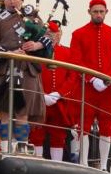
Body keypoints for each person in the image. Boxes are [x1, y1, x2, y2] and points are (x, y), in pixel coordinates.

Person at [0, 0, 52, 149]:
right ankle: (7, 147)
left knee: (23, 111)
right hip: (5, 69)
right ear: (4, 0)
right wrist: (10, 52)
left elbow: (49, 36)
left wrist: (36, 45)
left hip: (28, 69)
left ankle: (21, 146)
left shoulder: (33, 17)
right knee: (6, 112)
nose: (12, 2)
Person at [69, 0, 111, 170]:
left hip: (106, 90)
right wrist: (92, 78)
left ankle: (104, 167)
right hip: (86, 87)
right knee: (83, 126)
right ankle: (83, 162)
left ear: (106, 12)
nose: (99, 14)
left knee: (107, 127)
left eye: (101, 11)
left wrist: (107, 80)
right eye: (95, 11)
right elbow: (75, 60)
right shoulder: (78, 34)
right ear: (89, 12)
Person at [29, 20, 78, 161]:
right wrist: (40, 94)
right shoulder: (37, 52)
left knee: (59, 135)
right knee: (36, 133)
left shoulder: (68, 52)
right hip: (40, 99)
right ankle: (36, 161)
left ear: (61, 34)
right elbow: (32, 73)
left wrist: (59, 94)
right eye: (51, 33)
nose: (55, 35)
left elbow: (72, 76)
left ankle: (57, 163)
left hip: (59, 101)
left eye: (57, 32)